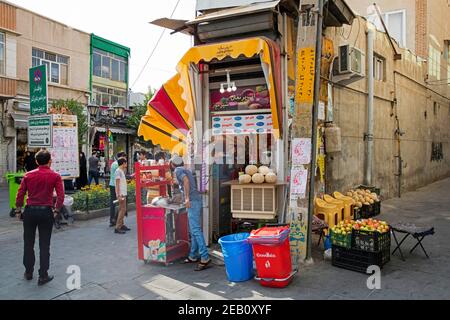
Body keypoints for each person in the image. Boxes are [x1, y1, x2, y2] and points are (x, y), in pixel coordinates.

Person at [15, 149, 64, 286]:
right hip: (46, 212)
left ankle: (28, 272)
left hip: (30, 212)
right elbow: (60, 196)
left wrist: (19, 210)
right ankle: (43, 275)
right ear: (50, 161)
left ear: (36, 161)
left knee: (28, 243)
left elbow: (20, 194)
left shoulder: (28, 175)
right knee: (44, 245)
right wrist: (57, 210)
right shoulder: (55, 176)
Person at [170, 155, 211, 271]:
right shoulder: (185, 169)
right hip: (196, 200)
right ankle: (193, 255)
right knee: (193, 231)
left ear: (173, 164)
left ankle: (205, 257)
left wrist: (187, 198)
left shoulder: (178, 170)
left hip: (192, 202)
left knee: (196, 230)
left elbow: (186, 181)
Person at [109, 152, 127, 227]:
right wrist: (118, 194)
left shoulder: (113, 163)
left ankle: (115, 220)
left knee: (116, 204)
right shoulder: (118, 167)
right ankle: (116, 221)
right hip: (116, 186)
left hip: (112, 184)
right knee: (120, 206)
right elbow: (118, 179)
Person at [114, 157, 130, 234]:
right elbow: (117, 184)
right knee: (122, 210)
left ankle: (121, 225)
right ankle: (117, 227)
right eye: (126, 163)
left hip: (123, 193)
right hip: (121, 193)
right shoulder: (118, 171)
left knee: (122, 209)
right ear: (123, 163)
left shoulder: (121, 171)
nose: (126, 164)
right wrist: (118, 195)